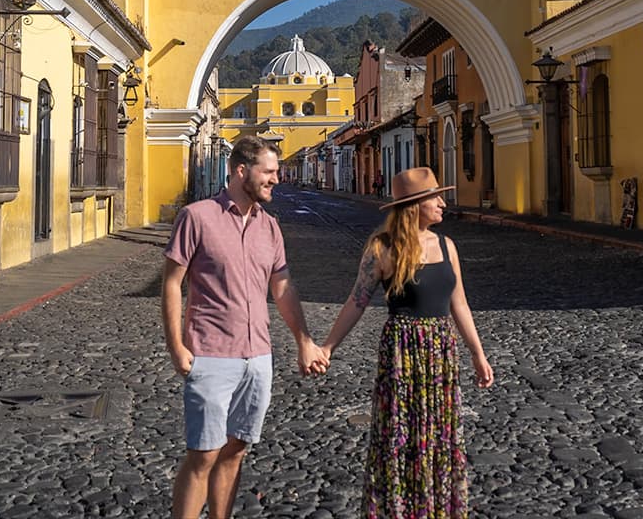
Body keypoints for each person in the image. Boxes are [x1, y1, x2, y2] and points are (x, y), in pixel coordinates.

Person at [163, 135, 328, 519]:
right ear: (241, 171)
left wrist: (304, 340)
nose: (276, 179)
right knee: (203, 455)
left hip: (258, 357)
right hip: (210, 353)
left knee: (236, 450)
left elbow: (283, 287)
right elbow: (172, 282)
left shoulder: (270, 227)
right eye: (268, 172)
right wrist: (177, 346)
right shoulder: (197, 217)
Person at [317, 167, 494, 518]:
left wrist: (478, 354)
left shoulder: (448, 246)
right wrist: (327, 347)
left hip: (441, 352)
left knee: (439, 432)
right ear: (415, 205)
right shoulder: (382, 249)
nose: (443, 203)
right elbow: (357, 300)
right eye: (435, 197)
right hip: (402, 351)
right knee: (401, 433)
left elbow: (460, 303)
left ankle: (436, 509)